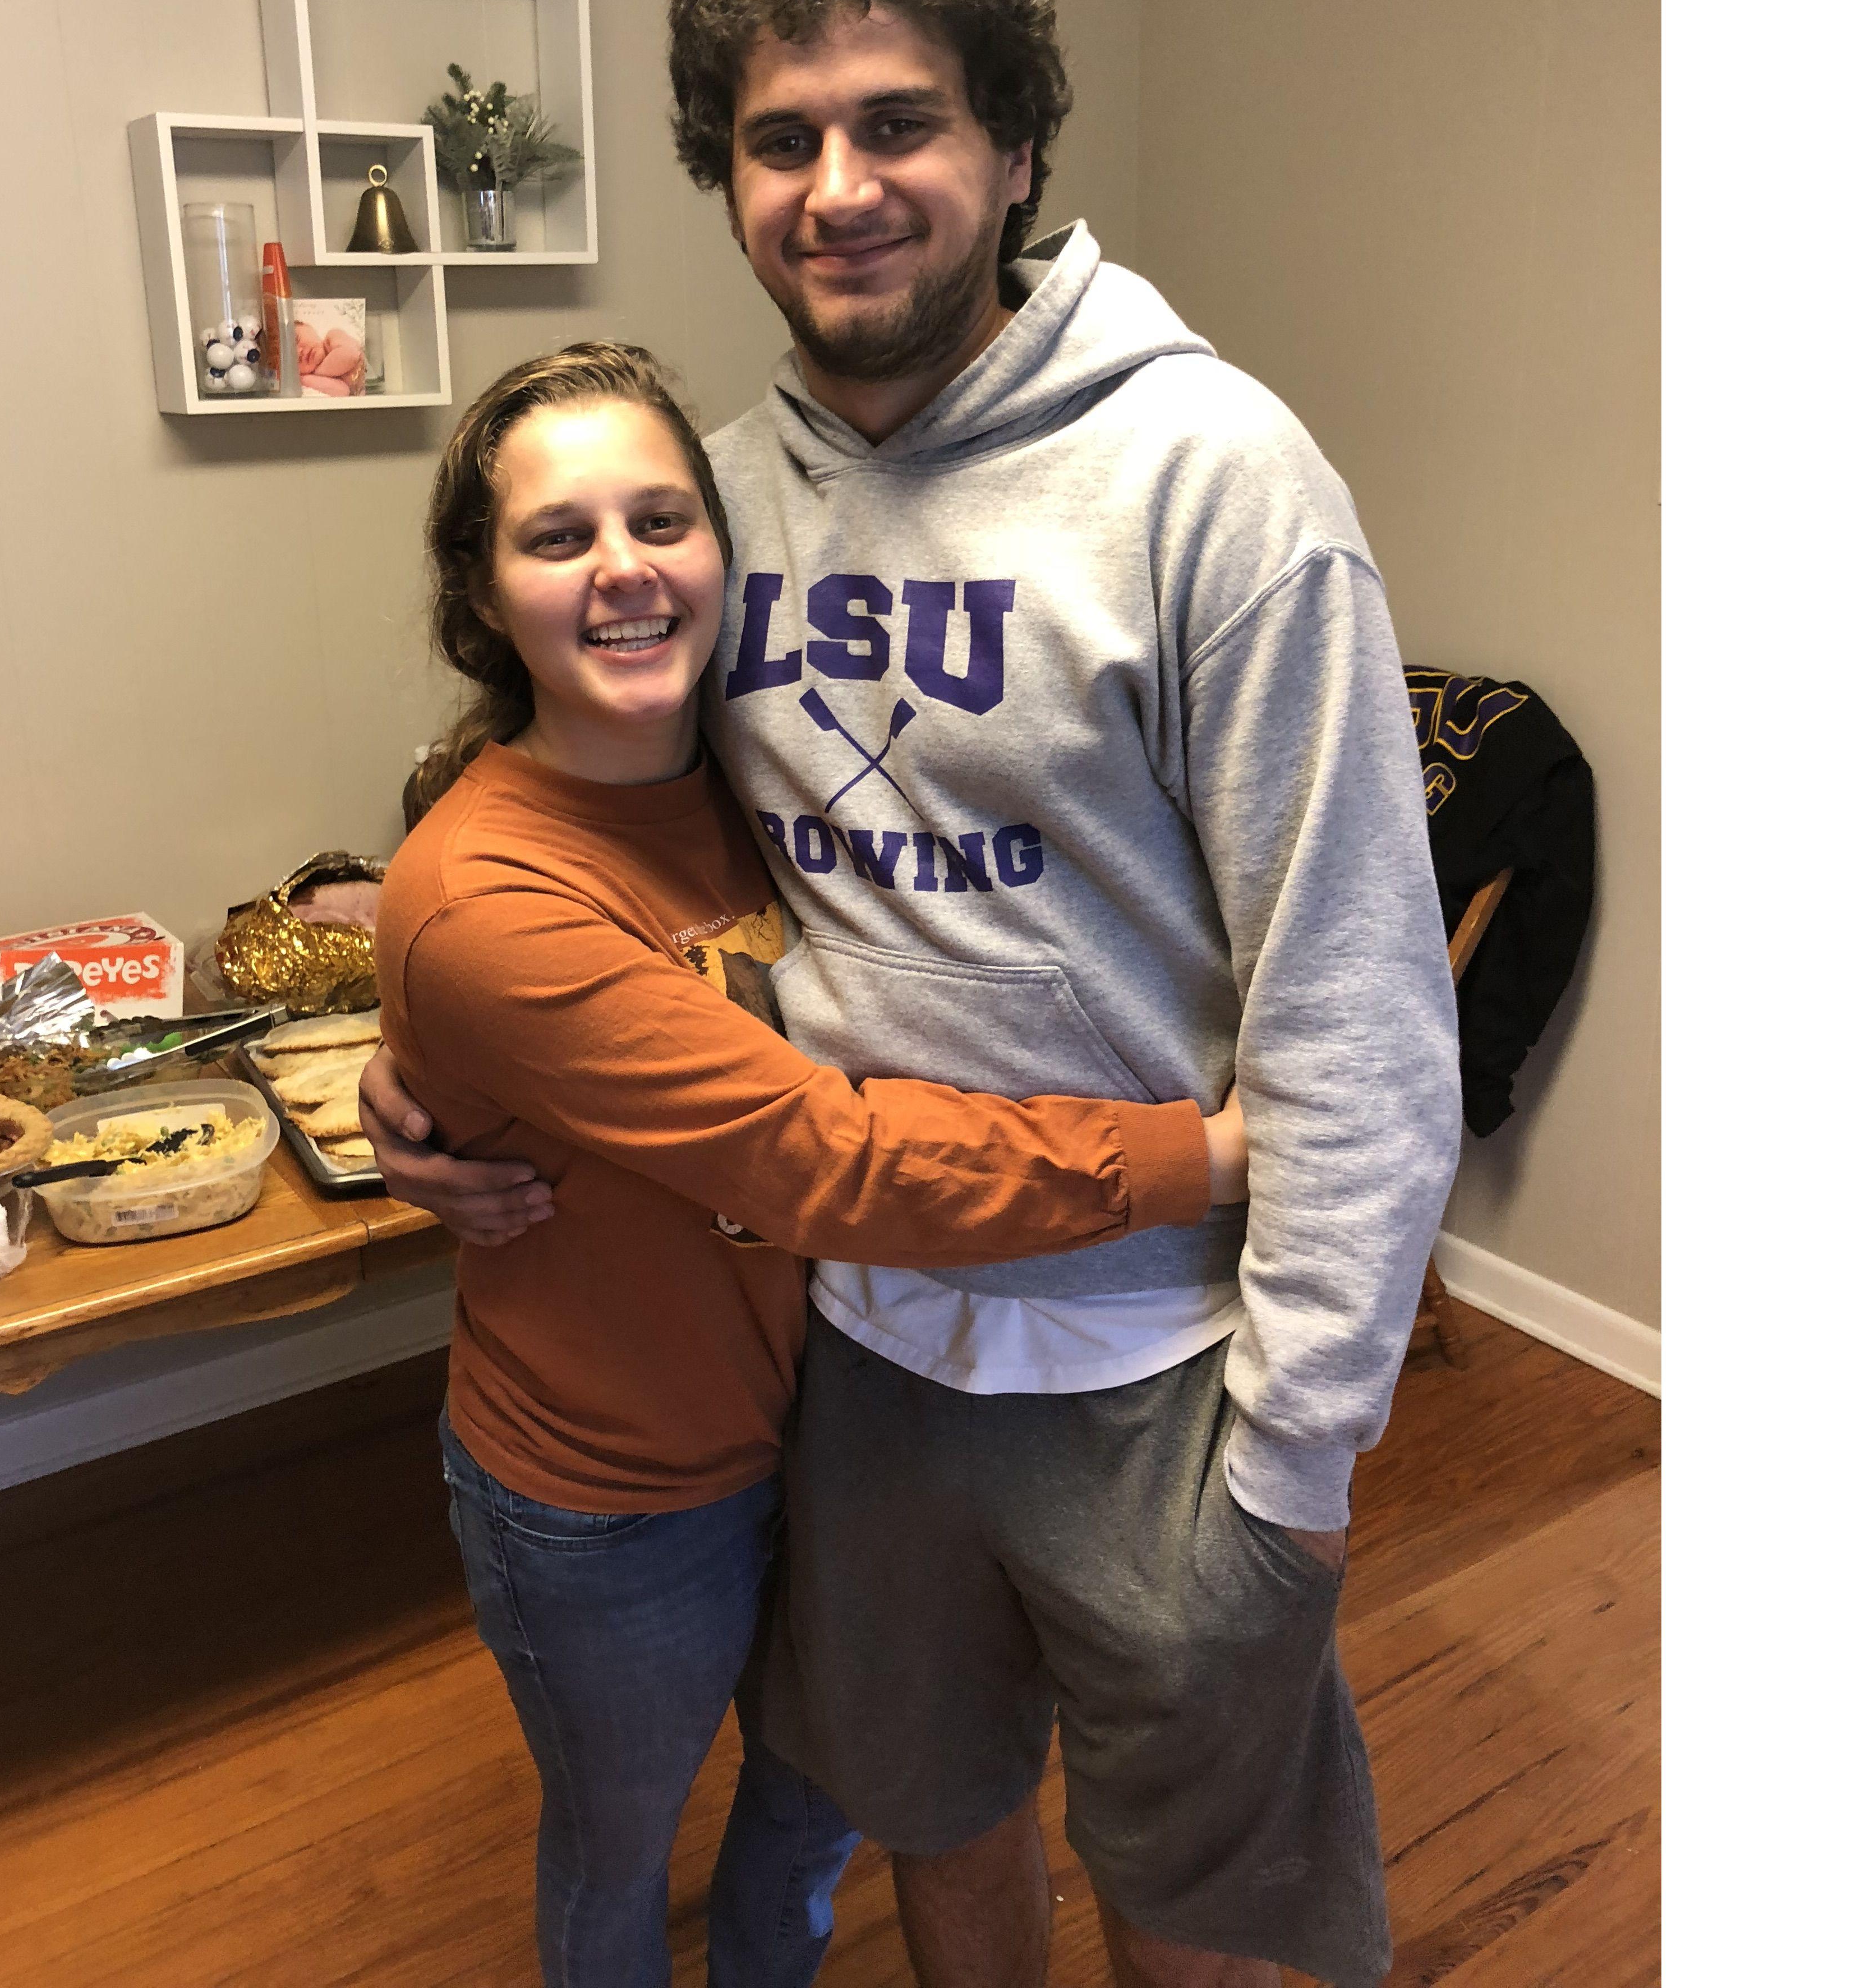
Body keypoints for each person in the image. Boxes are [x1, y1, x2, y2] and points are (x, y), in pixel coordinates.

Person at [365, 0, 1463, 1988]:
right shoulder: (721, 500)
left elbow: (1361, 1002)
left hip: (1169, 1366)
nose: (839, 188)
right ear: (727, 177)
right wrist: (435, 1054)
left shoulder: (1216, 482)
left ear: (1017, 145)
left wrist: (1303, 1459)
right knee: (939, 1832)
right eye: (780, 140)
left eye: (899, 123)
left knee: (1196, 1908)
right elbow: (576, 795)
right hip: (859, 1358)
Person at [382, 337, 1255, 1988]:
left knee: (814, 1814)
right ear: (484, 598)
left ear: (726, 553)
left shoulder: (753, 769)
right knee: (621, 1853)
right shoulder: (482, 897)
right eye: (559, 536)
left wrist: (409, 1066)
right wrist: (1202, 1156)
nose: (624, 568)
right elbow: (825, 1156)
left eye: (661, 520)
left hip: (842, 1416)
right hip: (615, 1493)